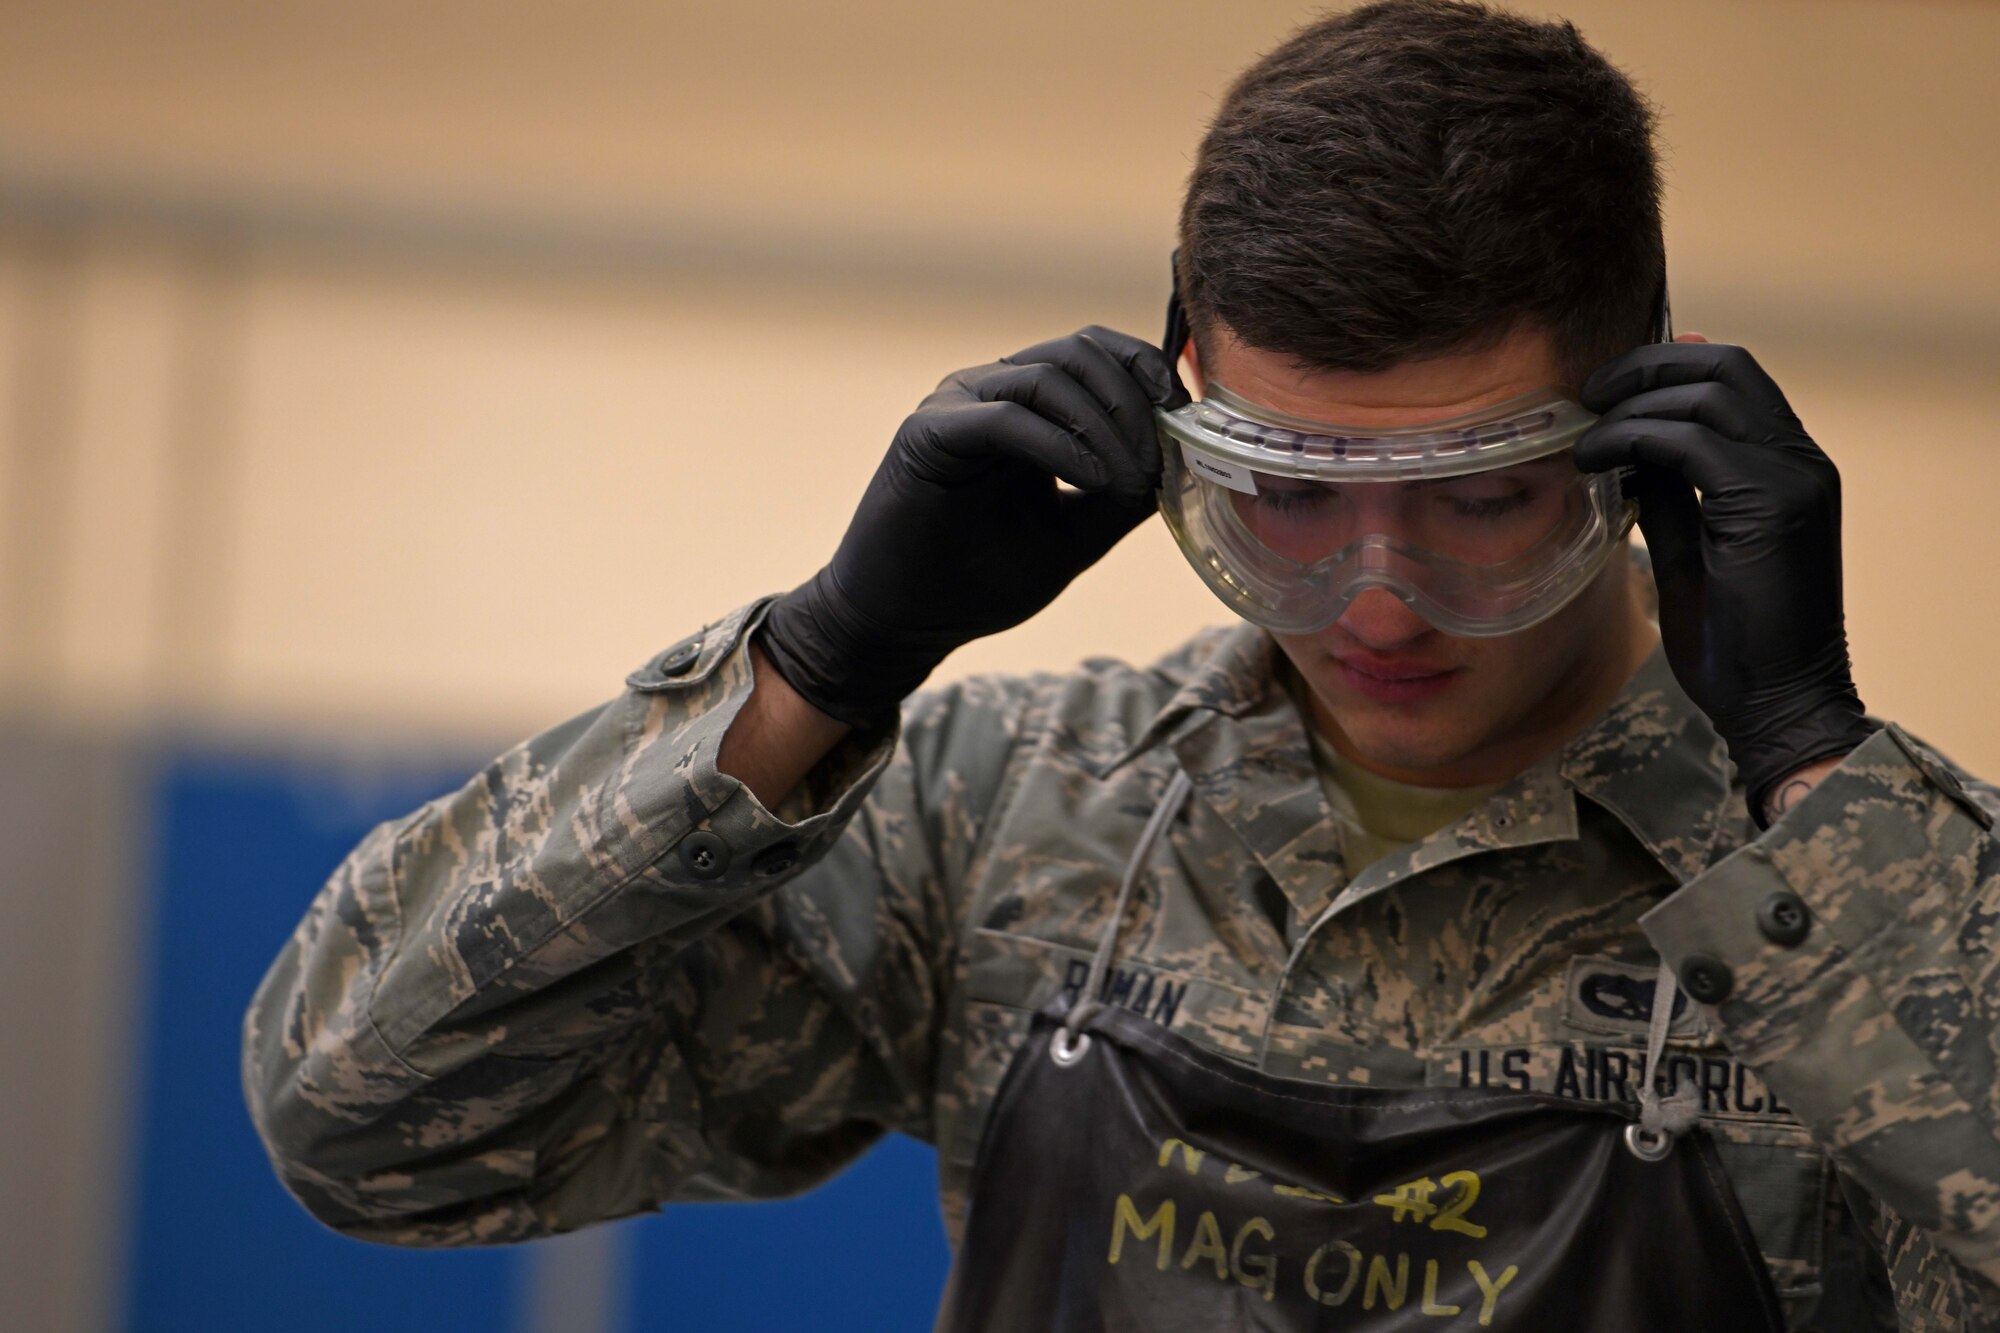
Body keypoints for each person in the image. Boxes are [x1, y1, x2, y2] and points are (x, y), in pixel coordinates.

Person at [241, 2, 2000, 1328]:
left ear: (1647, 437)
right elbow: (363, 1121)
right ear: (1183, 414)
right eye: (1292, 499)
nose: (1376, 606)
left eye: (1482, 498)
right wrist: (814, 669)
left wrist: (1816, 780)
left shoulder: (1860, 897)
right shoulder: (1014, 814)